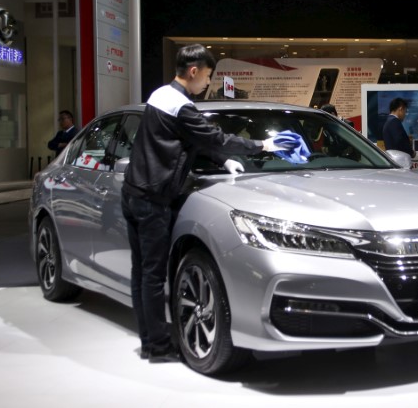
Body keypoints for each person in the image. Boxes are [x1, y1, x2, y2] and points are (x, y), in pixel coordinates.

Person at [121, 43, 300, 364]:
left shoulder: (160, 97)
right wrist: (263, 144)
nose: (207, 82)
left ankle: (150, 341)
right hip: (154, 199)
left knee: (141, 273)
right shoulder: (182, 107)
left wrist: (223, 160)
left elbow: (191, 141)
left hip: (134, 193)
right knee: (152, 274)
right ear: (194, 71)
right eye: (207, 75)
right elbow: (214, 137)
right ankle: (159, 347)